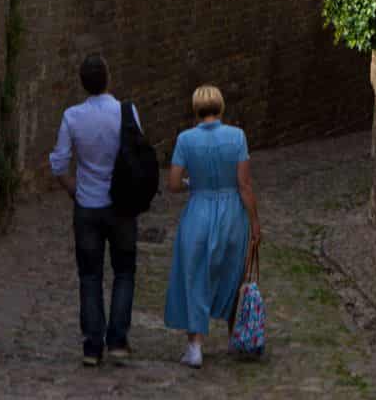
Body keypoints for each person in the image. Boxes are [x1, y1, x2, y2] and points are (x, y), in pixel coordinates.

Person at [49, 53, 140, 367]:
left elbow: (59, 162)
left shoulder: (72, 117)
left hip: (87, 206)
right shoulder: (127, 112)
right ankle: (117, 339)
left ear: (82, 83)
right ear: (108, 78)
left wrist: (74, 189)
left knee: (89, 276)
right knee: (124, 272)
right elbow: (138, 154)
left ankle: (92, 345)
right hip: (121, 206)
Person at [164, 84, 261, 369]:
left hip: (198, 211)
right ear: (221, 107)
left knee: (194, 275)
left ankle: (194, 346)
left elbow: (172, 183)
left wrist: (192, 184)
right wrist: (255, 222)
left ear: (195, 109)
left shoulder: (185, 139)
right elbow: (244, 184)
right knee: (233, 272)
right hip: (232, 211)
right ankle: (236, 336)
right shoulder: (237, 136)